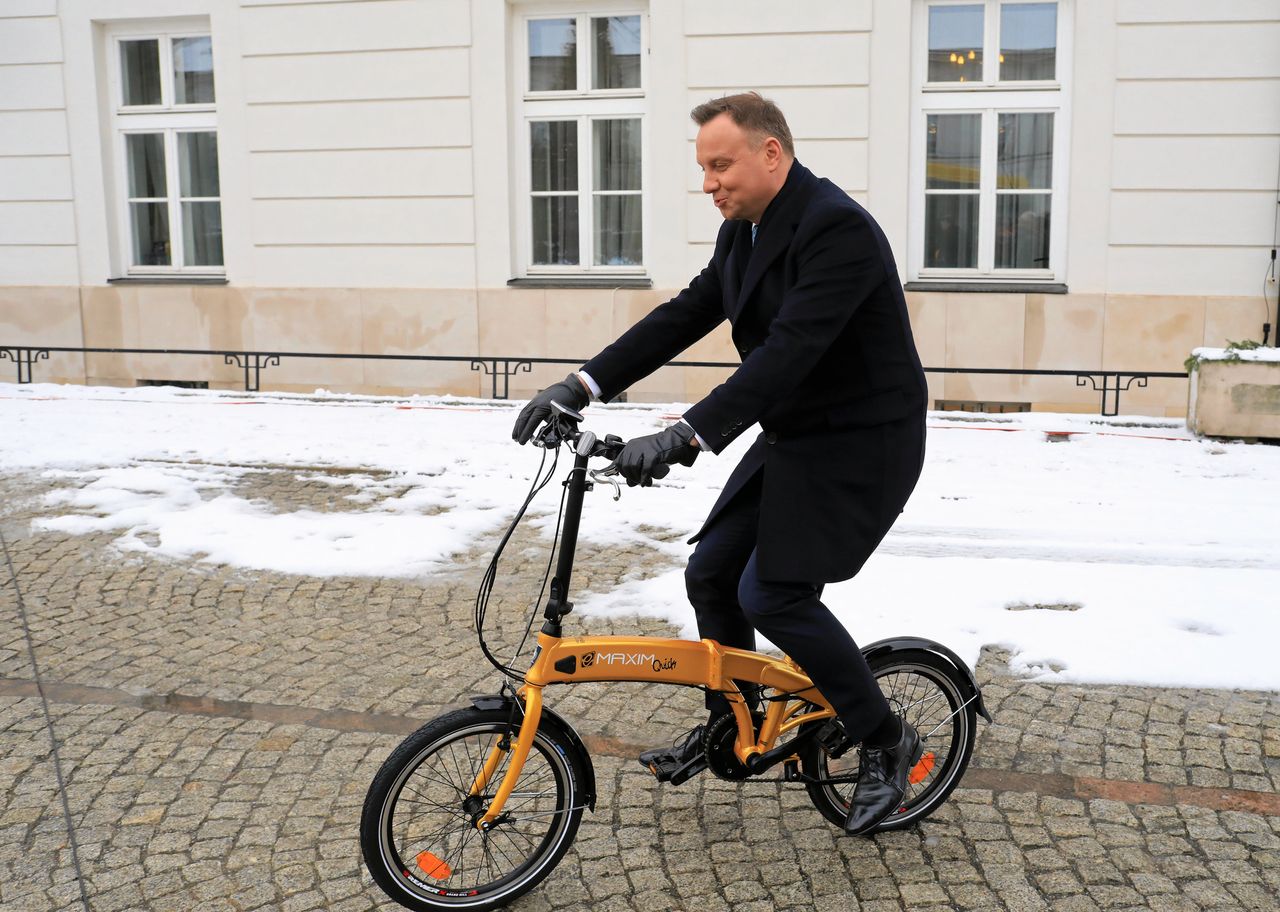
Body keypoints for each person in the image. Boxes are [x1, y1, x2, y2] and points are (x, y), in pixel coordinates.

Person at [512, 92, 928, 836]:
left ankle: (887, 741)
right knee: (710, 574)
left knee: (773, 594)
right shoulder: (743, 231)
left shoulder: (837, 229)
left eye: (720, 164)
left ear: (772, 153)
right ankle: (734, 725)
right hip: (797, 434)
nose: (709, 182)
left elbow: (788, 354)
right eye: (703, 168)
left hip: (862, 443)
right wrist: (580, 386)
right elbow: (686, 313)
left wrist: (687, 434)